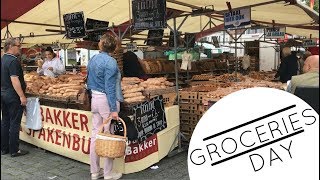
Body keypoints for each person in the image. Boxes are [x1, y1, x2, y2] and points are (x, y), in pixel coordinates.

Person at [86, 33, 123, 180]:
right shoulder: (111, 62)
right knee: (108, 135)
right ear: (114, 48)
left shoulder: (93, 59)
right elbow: (110, 88)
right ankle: (108, 173)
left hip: (94, 98)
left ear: (101, 45)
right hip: (106, 101)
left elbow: (88, 80)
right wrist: (113, 109)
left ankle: (95, 172)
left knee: (95, 135)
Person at [1, 37, 29, 157]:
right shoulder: (13, 61)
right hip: (13, 96)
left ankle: (4, 148)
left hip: (3, 93)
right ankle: (14, 150)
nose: (20, 48)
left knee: (5, 121)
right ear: (11, 46)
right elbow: (14, 80)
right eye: (18, 45)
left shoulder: (3, 59)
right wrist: (22, 96)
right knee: (14, 123)